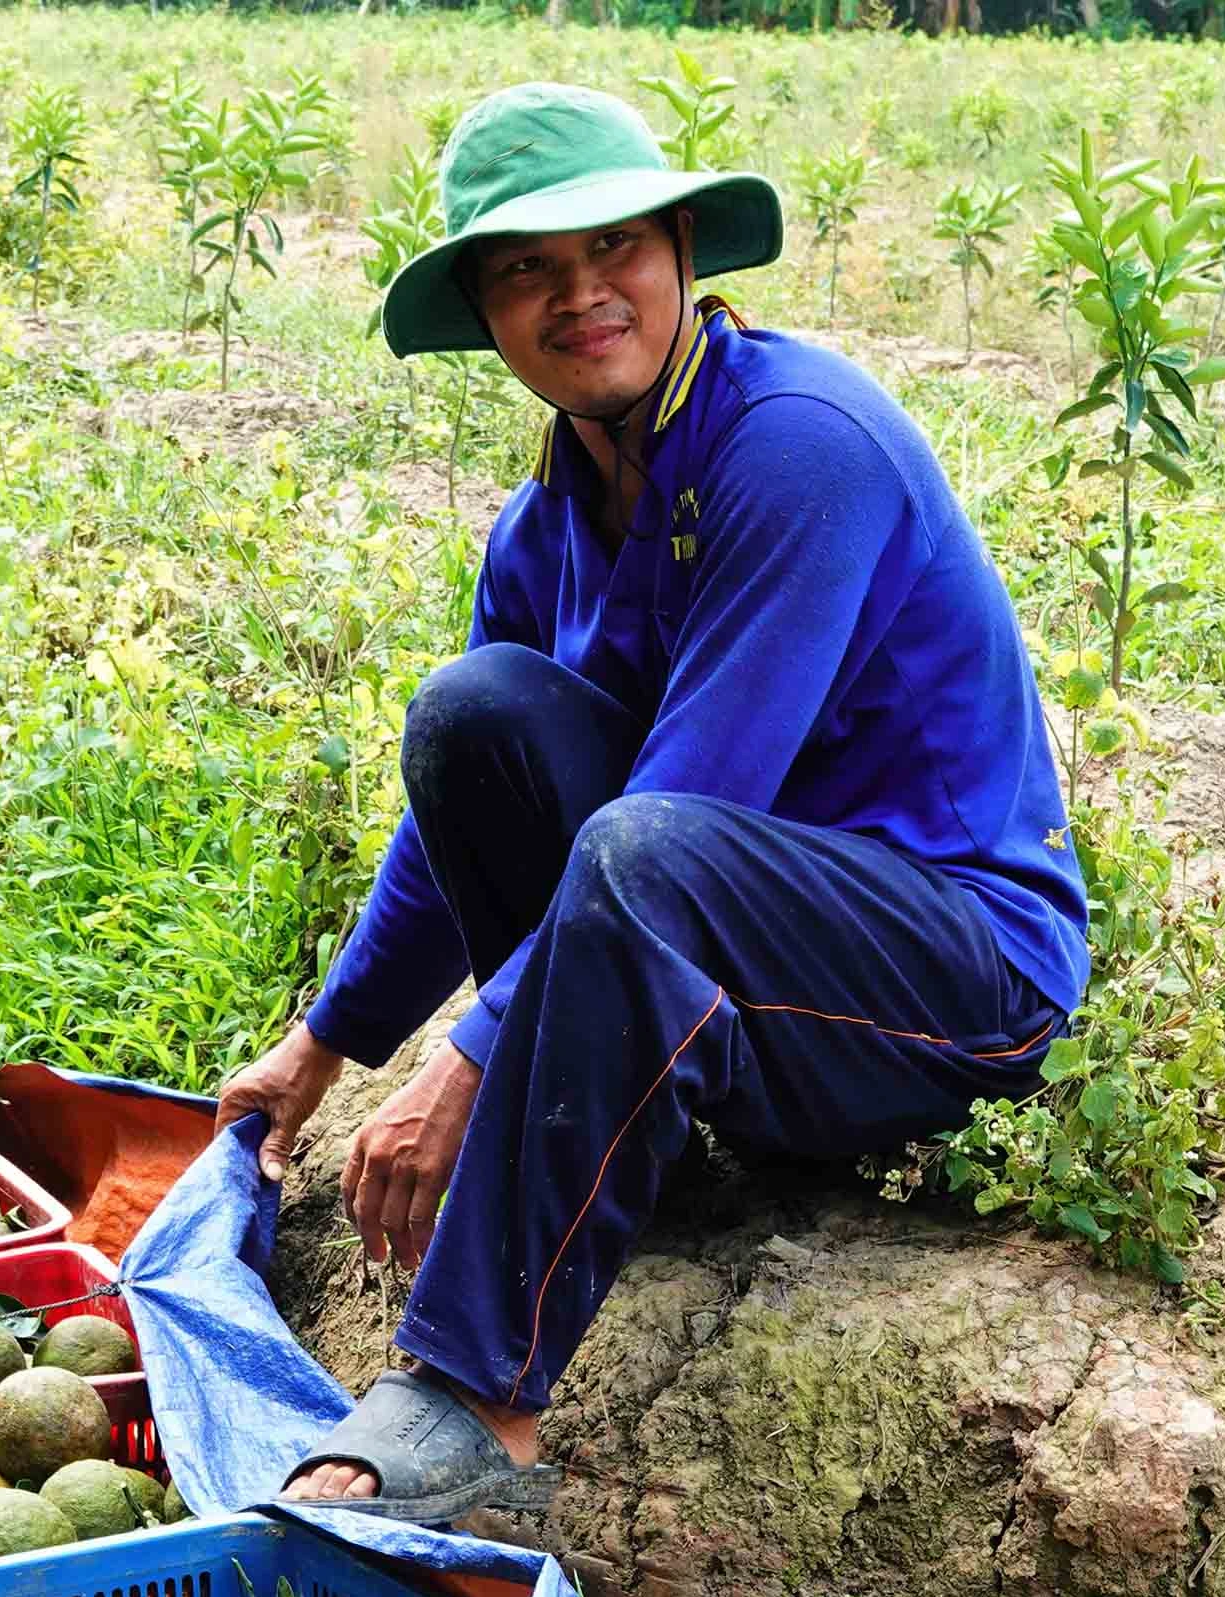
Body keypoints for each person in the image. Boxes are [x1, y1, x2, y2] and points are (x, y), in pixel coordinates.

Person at [215, 81, 1088, 1521]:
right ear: (485, 316)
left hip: (948, 967)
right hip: (735, 962)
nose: (580, 295)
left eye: (612, 249)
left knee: (645, 841)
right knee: (478, 710)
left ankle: (475, 1399)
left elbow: (697, 796)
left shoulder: (800, 445)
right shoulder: (548, 518)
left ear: (683, 250)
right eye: (526, 272)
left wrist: (468, 1063)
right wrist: (322, 1048)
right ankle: (626, 1143)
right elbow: (456, 843)